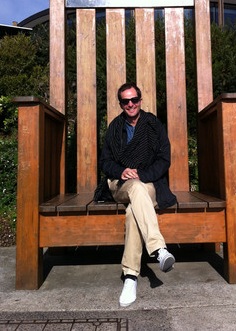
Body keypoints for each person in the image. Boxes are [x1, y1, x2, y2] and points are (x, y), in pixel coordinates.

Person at [99, 82, 177, 307]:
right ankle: (159, 249)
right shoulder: (114, 127)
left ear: (140, 101)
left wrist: (141, 174)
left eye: (134, 100)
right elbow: (105, 161)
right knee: (133, 187)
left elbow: (164, 159)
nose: (130, 104)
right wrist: (121, 170)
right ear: (121, 104)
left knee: (134, 211)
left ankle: (130, 277)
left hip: (148, 182)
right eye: (125, 101)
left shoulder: (153, 124)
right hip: (120, 184)